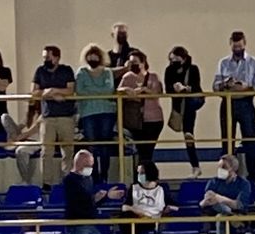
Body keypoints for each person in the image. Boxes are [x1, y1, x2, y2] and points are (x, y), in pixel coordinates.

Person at [213, 30, 255, 182]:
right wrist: (225, 84)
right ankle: (227, 175)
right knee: (227, 141)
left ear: (245, 44)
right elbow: (215, 87)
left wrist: (245, 87)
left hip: (246, 103)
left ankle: (252, 176)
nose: (237, 50)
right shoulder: (223, 63)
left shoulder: (253, 62)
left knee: (249, 140)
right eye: (235, 47)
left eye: (240, 47)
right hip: (227, 103)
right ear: (230, 45)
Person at [33, 44, 79, 185]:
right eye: (44, 57)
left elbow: (70, 90)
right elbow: (34, 92)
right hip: (48, 117)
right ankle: (46, 183)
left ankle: (67, 181)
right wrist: (50, 94)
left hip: (66, 116)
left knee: (68, 151)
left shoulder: (66, 70)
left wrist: (52, 91)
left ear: (57, 58)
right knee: (46, 152)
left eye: (48, 57)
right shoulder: (40, 71)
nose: (45, 60)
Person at [75, 46, 118, 185]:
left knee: (105, 145)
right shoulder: (81, 72)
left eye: (95, 55)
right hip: (88, 113)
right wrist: (99, 93)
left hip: (107, 112)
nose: (92, 58)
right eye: (90, 56)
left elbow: (109, 90)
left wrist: (91, 91)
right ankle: (94, 176)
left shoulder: (107, 72)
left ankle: (104, 175)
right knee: (91, 145)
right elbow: (80, 91)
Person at [117, 50, 165, 175]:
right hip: (136, 121)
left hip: (154, 120)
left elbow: (158, 93)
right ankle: (140, 177)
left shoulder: (153, 77)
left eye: (136, 62)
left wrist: (144, 90)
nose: (133, 65)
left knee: (148, 151)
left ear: (143, 63)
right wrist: (127, 90)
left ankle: (148, 176)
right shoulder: (127, 77)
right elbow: (118, 92)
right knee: (140, 151)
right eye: (131, 62)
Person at [164, 46, 205, 175]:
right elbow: (168, 89)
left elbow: (197, 87)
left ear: (184, 58)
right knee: (188, 136)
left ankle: (188, 132)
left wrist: (186, 89)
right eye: (172, 59)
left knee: (189, 108)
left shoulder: (192, 69)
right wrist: (175, 88)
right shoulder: (169, 70)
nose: (174, 61)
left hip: (192, 101)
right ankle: (195, 165)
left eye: (177, 59)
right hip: (179, 105)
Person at [202, 152, 255, 234]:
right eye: (219, 167)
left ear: (233, 169)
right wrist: (210, 201)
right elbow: (206, 202)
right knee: (219, 210)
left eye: (223, 167)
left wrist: (220, 198)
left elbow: (239, 205)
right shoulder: (213, 181)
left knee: (221, 216)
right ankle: (230, 214)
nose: (220, 170)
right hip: (215, 212)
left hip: (238, 213)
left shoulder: (244, 183)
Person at [62, 147, 108, 234]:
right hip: (78, 224)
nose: (90, 168)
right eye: (88, 165)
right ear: (79, 163)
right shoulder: (69, 180)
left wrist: (105, 197)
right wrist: (94, 198)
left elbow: (91, 202)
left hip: (91, 222)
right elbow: (78, 201)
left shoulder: (88, 179)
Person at [122, 161, 167, 234]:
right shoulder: (134, 188)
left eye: (142, 173)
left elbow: (166, 206)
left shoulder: (161, 189)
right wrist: (135, 210)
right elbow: (125, 206)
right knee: (126, 219)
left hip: (151, 219)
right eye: (138, 173)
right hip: (135, 217)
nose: (139, 175)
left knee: (129, 226)